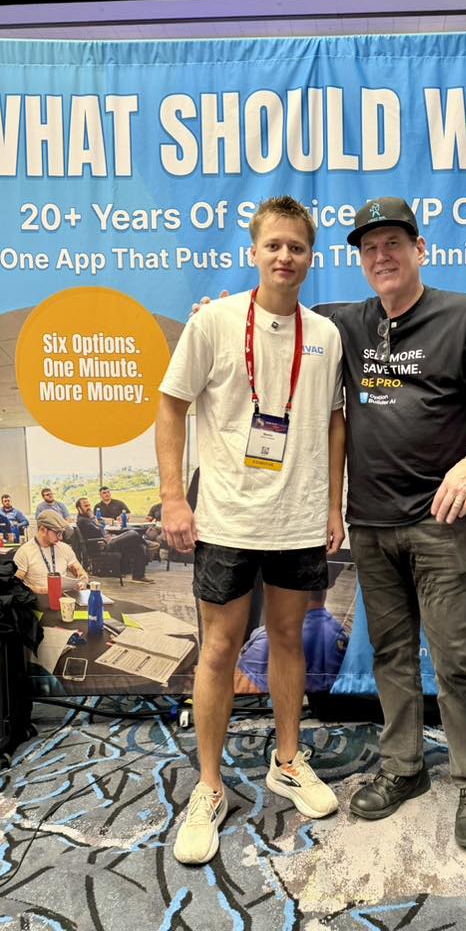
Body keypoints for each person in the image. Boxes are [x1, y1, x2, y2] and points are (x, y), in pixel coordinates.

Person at [332, 197, 466, 851]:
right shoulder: (347, 323)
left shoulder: (465, 315)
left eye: (393, 243)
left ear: (421, 249)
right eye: (370, 248)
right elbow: (277, 324)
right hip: (371, 523)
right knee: (390, 654)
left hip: (443, 523)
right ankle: (403, 768)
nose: (381, 257)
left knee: (455, 657)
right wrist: (223, 316)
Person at [156, 195, 345, 866]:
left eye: (297, 247)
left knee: (289, 638)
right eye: (274, 245)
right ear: (254, 251)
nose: (285, 257)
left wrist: (333, 505)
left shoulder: (326, 335)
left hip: (298, 519)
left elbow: (334, 422)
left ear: (310, 257)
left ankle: (287, 761)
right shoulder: (213, 322)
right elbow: (171, 407)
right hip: (227, 518)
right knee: (219, 649)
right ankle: (208, 787)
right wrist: (173, 498)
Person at [75, 498, 153, 583]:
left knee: (138, 546)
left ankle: (138, 576)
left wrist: (96, 520)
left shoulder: (88, 518)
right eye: (86, 506)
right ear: (79, 508)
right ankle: (148, 544)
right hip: (103, 545)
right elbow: (99, 532)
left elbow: (101, 527)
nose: (89, 508)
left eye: (89, 505)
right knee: (133, 533)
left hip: (108, 540)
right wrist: (95, 519)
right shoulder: (83, 521)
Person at [13, 510, 89, 594]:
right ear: (42, 530)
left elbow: (81, 573)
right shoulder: (25, 552)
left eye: (62, 533)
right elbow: (14, 584)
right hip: (36, 598)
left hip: (63, 598)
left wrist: (83, 582)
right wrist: (42, 591)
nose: (60, 538)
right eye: (57, 533)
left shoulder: (64, 548)